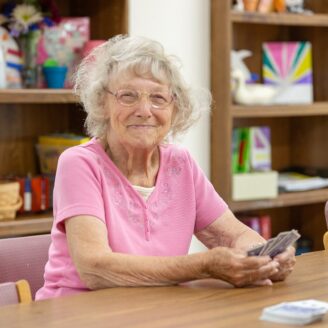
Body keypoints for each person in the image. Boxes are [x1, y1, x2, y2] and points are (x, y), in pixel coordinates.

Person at [36, 35, 295, 300]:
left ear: (175, 108)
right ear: (103, 103)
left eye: (158, 98)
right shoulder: (79, 163)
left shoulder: (179, 163)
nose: (145, 110)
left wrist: (264, 257)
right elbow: (94, 268)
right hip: (75, 313)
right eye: (128, 96)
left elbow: (233, 235)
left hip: (155, 312)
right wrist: (203, 266)